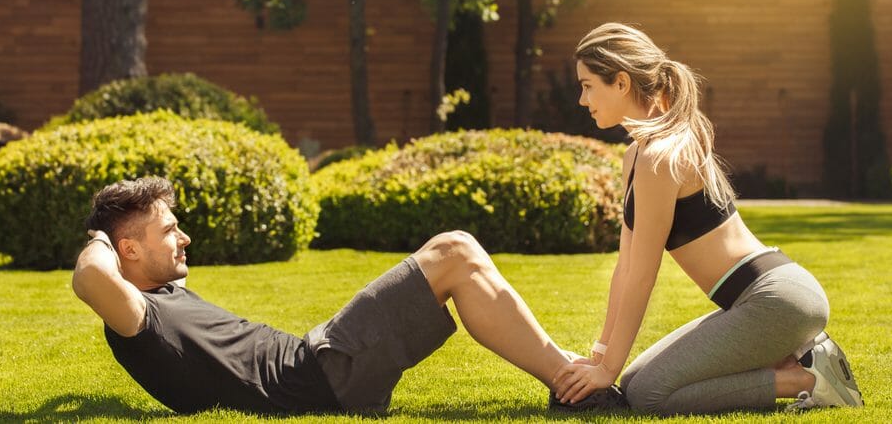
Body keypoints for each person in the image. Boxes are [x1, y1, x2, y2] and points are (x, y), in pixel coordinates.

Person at [72, 176, 625, 415]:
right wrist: (99, 236)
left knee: (456, 256)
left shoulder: (162, 289)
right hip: (319, 373)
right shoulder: (137, 316)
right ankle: (574, 385)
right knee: (454, 251)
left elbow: (121, 270)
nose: (184, 237)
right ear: (128, 250)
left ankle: (567, 376)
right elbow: (91, 278)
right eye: (169, 230)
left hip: (320, 367)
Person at [551, 23, 864, 415]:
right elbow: (626, 267)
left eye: (587, 85)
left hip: (777, 300)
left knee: (649, 395)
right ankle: (800, 359)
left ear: (621, 82)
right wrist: (601, 359)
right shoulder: (636, 156)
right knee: (633, 383)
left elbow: (644, 275)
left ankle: (809, 379)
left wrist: (606, 367)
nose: (582, 99)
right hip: (758, 300)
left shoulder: (659, 156)